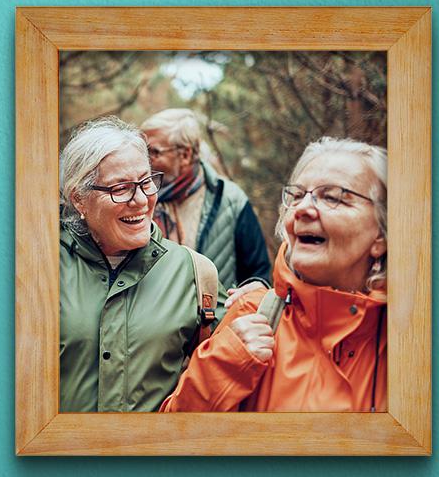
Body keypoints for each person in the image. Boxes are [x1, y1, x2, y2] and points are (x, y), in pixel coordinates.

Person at [160, 137, 387, 412]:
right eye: (297, 196)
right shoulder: (252, 314)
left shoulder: (416, 336)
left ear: (381, 234)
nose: (303, 209)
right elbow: (174, 438)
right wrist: (223, 365)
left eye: (332, 197)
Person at [59, 116, 226, 412]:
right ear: (79, 199)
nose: (140, 200)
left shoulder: (195, 273)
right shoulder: (38, 266)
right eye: (120, 188)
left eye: (146, 182)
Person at [141, 108, 271, 289]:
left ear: (185, 155)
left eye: (153, 152)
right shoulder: (138, 197)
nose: (144, 160)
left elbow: (258, 277)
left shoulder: (231, 200)